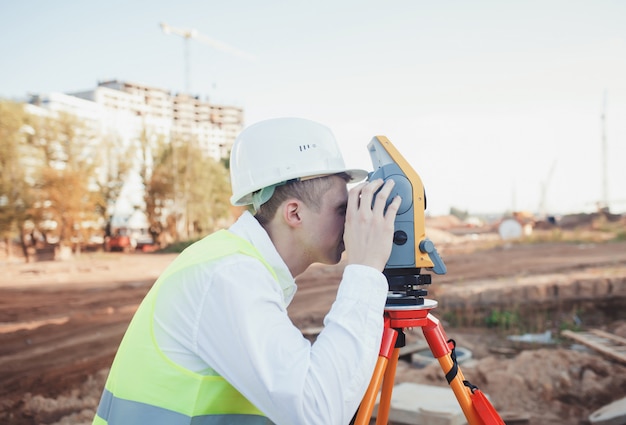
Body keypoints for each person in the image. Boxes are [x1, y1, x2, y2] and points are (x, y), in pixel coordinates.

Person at [93, 117, 401, 425]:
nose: (352, 221)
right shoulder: (229, 275)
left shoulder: (236, 264)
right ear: (294, 213)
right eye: (341, 210)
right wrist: (365, 269)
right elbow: (317, 411)